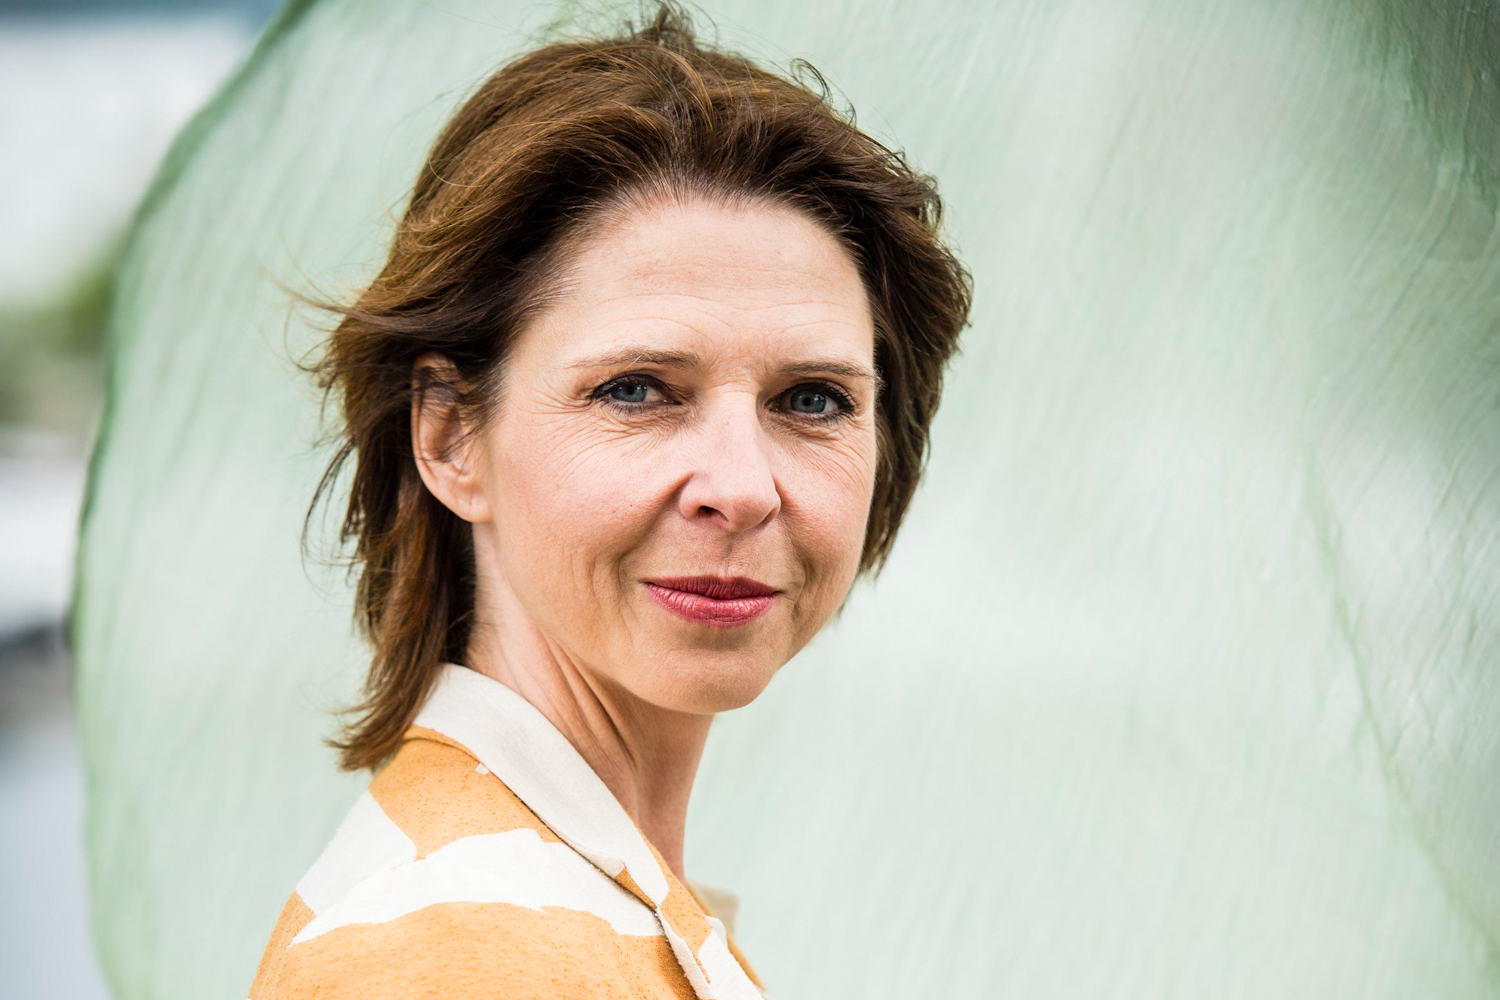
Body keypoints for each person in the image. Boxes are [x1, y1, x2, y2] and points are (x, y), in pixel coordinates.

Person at [249, 2, 972, 997]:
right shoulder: (452, 955)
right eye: (636, 390)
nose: (741, 488)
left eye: (813, 400)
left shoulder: (562, 907)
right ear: (450, 435)